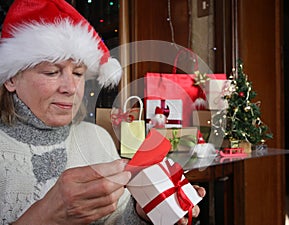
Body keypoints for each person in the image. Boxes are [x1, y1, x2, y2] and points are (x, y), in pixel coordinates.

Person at [0, 0, 206, 224]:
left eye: (78, 74)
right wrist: (44, 215)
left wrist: (141, 215)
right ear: (11, 78)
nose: (71, 88)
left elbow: (116, 218)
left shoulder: (96, 138)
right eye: (51, 72)